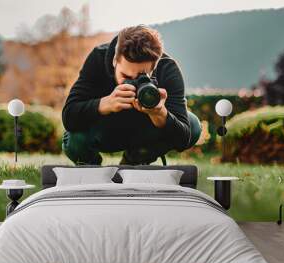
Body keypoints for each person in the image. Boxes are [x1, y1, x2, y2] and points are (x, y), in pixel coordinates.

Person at [61, 24, 202, 165]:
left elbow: (184, 140)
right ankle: (94, 172)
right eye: (125, 76)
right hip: (106, 130)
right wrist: (104, 104)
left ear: (154, 67)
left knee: (193, 125)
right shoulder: (98, 58)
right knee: (74, 138)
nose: (132, 83)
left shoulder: (167, 69)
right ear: (114, 60)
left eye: (141, 76)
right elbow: (69, 116)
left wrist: (160, 114)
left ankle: (133, 164)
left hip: (144, 134)